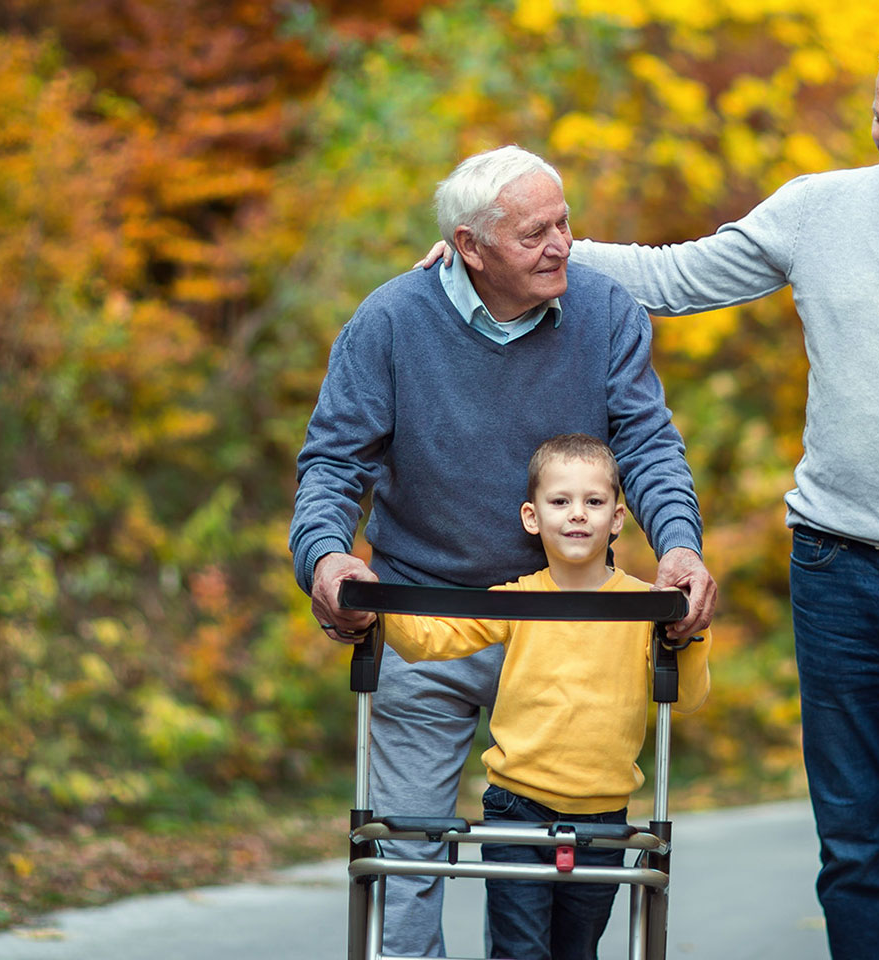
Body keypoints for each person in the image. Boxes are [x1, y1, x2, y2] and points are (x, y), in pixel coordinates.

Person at [421, 24, 879, 959]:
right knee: (854, 844)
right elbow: (674, 276)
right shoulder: (818, 209)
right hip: (836, 567)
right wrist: (511, 251)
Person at [290, 145, 717, 958]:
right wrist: (327, 558)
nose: (562, 244)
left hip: (573, 630)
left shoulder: (606, 313)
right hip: (433, 616)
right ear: (469, 246)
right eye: (535, 234)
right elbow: (334, 463)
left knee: (575, 873)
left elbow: (650, 447)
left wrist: (680, 548)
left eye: (563, 221)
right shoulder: (388, 322)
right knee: (406, 853)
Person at [372, 433, 711, 960]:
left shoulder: (646, 605)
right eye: (561, 501)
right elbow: (430, 639)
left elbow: (687, 696)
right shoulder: (519, 599)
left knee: (577, 950)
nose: (578, 514)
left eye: (594, 502)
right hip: (517, 807)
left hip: (604, 814)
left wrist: (688, 634)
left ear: (618, 518)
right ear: (533, 517)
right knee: (520, 949)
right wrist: (374, 602)